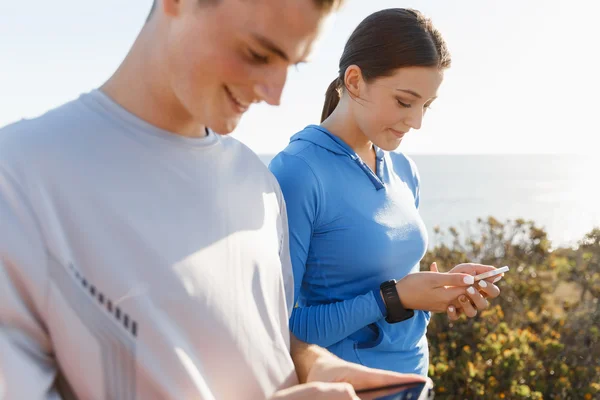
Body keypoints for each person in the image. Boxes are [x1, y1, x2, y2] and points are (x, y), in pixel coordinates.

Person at [0, 1, 430, 399]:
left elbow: (262, 338)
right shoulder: (19, 178)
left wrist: (309, 362)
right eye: (259, 54)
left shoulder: (256, 184)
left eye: (292, 65)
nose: (274, 93)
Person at [269, 8, 502, 377]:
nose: (417, 122)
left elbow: (398, 288)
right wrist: (393, 297)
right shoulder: (298, 171)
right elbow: (277, 329)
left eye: (426, 105)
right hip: (350, 387)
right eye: (405, 102)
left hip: (413, 379)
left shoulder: (403, 169)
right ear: (355, 80)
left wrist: (440, 291)